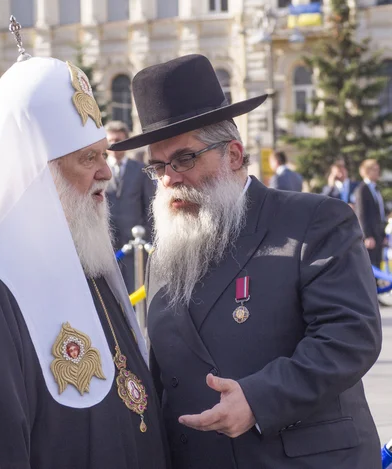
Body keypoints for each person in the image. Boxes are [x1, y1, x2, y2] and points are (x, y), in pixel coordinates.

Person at [109, 54, 381, 469]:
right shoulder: (168, 252)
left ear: (234, 154)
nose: (169, 179)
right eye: (159, 166)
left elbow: (349, 336)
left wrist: (258, 398)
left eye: (184, 159)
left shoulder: (313, 221)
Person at [0, 52, 169, 469]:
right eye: (88, 158)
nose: (107, 173)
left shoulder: (88, 256)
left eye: (103, 155)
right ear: (38, 174)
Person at [105, 120, 155, 292]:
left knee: (136, 292)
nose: (114, 144)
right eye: (111, 141)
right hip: (107, 245)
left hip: (136, 246)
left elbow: (149, 204)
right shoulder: (99, 171)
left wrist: (146, 235)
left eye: (118, 140)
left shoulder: (140, 170)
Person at [355, 158, 387, 268]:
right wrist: (367, 236)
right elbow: (361, 214)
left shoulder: (376, 189)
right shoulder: (362, 189)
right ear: (367, 171)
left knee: (378, 265)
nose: (378, 172)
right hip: (371, 237)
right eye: (375, 169)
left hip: (378, 235)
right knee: (370, 267)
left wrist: (383, 234)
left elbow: (380, 213)